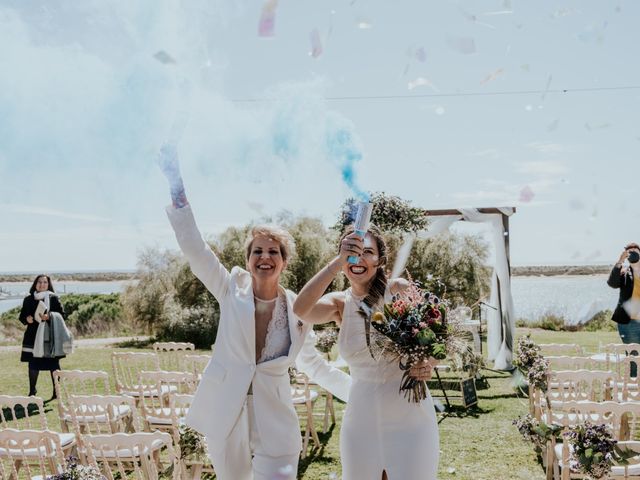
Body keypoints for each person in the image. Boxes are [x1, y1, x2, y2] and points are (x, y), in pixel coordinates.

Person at [158, 144, 351, 480]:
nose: (265, 256)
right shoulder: (230, 289)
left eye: (273, 251)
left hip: (276, 422)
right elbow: (195, 248)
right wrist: (176, 184)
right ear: (248, 260)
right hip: (225, 415)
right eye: (258, 251)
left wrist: (363, 393)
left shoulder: (298, 308)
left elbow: (315, 365)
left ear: (284, 261)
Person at [293, 225, 439, 480]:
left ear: (380, 260)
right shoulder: (340, 304)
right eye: (351, 252)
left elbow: (436, 338)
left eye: (367, 252)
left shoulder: (398, 290)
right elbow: (301, 309)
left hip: (411, 418)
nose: (358, 259)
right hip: (361, 419)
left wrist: (428, 362)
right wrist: (336, 262)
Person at [19, 274, 66, 399]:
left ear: (48, 284)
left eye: (45, 282)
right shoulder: (28, 299)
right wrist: (26, 319)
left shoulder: (54, 299)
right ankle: (32, 391)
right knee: (33, 364)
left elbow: (62, 315)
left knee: (53, 365)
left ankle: (57, 392)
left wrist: (49, 316)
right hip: (32, 337)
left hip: (50, 337)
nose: (42, 284)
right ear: (35, 284)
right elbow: (22, 316)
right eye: (39, 282)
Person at [608, 243, 640, 367]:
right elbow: (612, 283)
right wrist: (620, 261)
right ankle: (634, 385)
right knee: (633, 358)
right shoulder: (624, 272)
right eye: (629, 252)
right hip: (629, 323)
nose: (632, 253)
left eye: (635, 251)